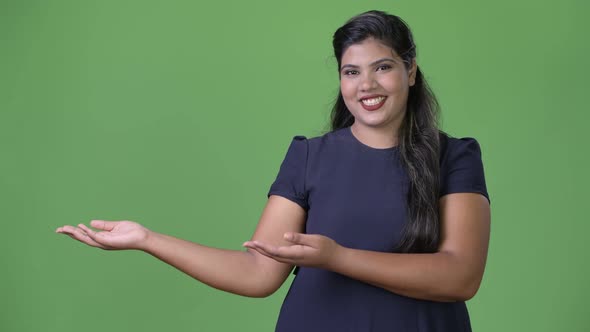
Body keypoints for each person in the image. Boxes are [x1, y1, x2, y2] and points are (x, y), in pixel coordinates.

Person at [56, 10, 490, 332]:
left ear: (410, 71)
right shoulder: (308, 156)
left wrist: (336, 257)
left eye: (383, 67)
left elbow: (460, 275)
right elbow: (258, 272)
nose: (367, 85)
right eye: (351, 71)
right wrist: (147, 239)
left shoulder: (454, 156)